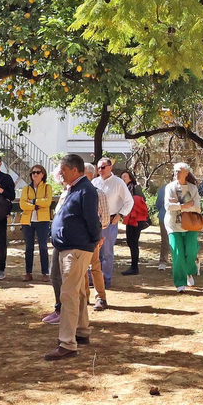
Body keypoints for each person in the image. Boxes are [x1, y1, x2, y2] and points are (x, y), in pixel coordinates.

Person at [45, 153, 101, 361]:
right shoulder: (74, 188)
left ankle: (68, 343)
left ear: (74, 170)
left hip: (76, 249)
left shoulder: (86, 190)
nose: (60, 173)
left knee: (68, 294)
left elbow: (92, 220)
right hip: (69, 247)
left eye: (63, 170)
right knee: (77, 292)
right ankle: (81, 332)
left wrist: (94, 241)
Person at [91, 156, 133, 311]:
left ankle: (106, 279)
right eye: (98, 167)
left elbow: (129, 201)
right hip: (96, 221)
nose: (100, 170)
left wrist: (120, 215)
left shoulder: (118, 183)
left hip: (110, 221)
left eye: (103, 167)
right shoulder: (95, 182)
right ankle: (94, 280)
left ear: (110, 167)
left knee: (107, 252)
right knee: (94, 252)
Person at [165, 162, 202, 292]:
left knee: (191, 250)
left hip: (190, 224)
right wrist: (185, 205)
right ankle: (180, 283)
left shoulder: (193, 188)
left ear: (186, 173)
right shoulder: (170, 187)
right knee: (177, 253)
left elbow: (197, 207)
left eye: (179, 171)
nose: (176, 173)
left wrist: (178, 204)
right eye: (175, 171)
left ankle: (190, 270)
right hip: (173, 225)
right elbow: (168, 206)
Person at [18, 163, 53, 281]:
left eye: (38, 172)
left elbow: (47, 202)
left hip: (42, 221)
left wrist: (32, 201)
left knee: (43, 247)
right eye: (33, 172)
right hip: (28, 221)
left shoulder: (47, 187)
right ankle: (28, 272)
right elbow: (22, 204)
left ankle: (45, 272)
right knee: (29, 248)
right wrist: (35, 206)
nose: (35, 174)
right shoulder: (26, 188)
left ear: (43, 175)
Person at [122, 170, 148, 276]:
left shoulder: (134, 188)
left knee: (133, 243)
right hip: (130, 219)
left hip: (135, 219)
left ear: (130, 178)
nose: (122, 178)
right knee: (130, 242)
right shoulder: (125, 188)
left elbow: (142, 201)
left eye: (125, 177)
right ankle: (133, 265)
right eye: (122, 177)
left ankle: (134, 267)